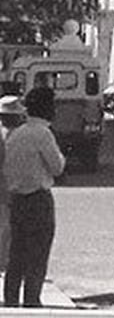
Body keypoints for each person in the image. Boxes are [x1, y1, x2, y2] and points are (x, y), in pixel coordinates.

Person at [5, 87, 65, 307]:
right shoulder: (43, 133)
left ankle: (11, 300)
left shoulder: (16, 134)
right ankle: (32, 300)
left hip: (17, 199)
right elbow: (57, 167)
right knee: (38, 254)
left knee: (17, 253)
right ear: (47, 108)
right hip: (38, 198)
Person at [0, 95, 26, 277]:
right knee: (6, 227)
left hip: (7, 187)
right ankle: (4, 263)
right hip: (8, 188)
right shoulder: (16, 135)